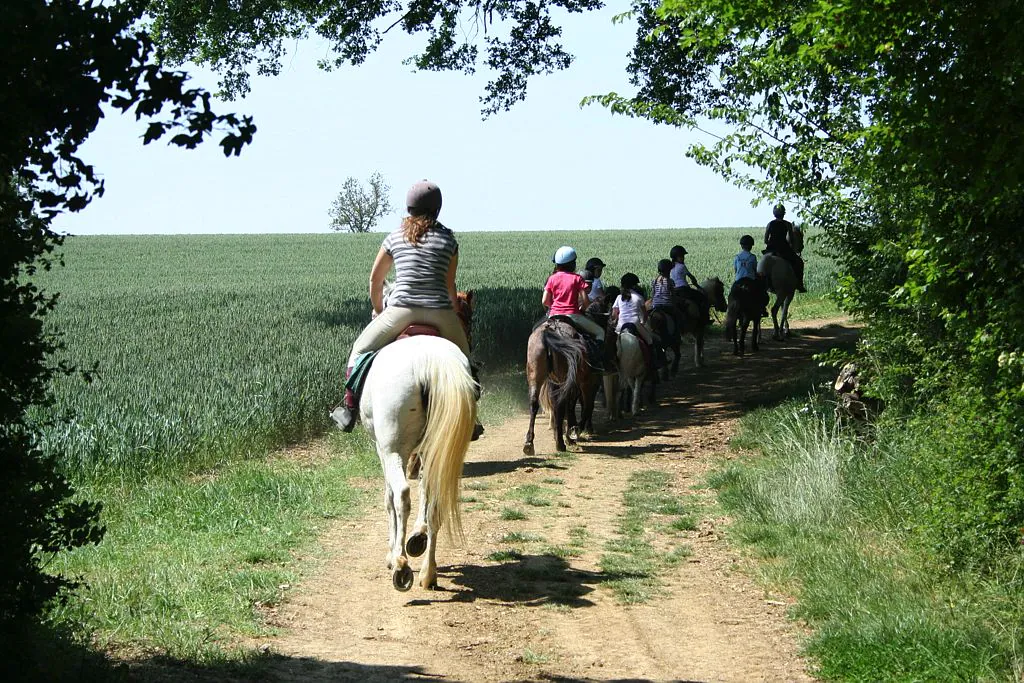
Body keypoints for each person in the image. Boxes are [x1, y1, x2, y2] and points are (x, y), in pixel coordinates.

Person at [331, 180, 473, 433]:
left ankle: (349, 409)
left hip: (400, 310)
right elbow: (450, 287)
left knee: (359, 349)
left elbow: (376, 279)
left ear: (409, 208)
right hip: (440, 312)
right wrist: (451, 312)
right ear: (438, 209)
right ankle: (470, 416)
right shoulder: (449, 241)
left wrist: (378, 309)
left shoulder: (395, 237)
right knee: (466, 361)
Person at [543, 246, 608, 366]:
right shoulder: (577, 278)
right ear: (572, 264)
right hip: (573, 316)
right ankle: (596, 363)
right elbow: (586, 302)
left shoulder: (552, 278)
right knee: (600, 332)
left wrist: (555, 307)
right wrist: (586, 308)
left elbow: (544, 301)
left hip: (553, 316)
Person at [763, 204, 807, 292]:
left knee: (763, 265)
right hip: (784, 249)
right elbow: (791, 239)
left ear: (774, 213)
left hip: (771, 249)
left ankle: (767, 285)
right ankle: (799, 284)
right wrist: (790, 246)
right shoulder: (787, 224)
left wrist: (771, 244)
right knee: (798, 262)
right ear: (784, 213)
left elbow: (765, 240)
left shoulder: (770, 224)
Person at [669, 245, 711, 324]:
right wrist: (698, 286)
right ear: (676, 257)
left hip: (674, 290)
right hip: (684, 290)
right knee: (702, 298)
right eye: (681, 256)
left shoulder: (670, 267)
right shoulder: (682, 266)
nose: (683, 258)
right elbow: (692, 278)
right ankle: (705, 319)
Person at [735, 234, 769, 318]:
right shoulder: (752, 257)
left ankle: (731, 308)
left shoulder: (737, 257)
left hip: (738, 280)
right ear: (751, 246)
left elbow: (735, 270)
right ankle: (762, 308)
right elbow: (755, 270)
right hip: (750, 280)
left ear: (741, 245)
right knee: (761, 292)